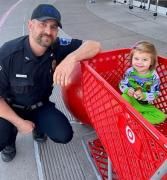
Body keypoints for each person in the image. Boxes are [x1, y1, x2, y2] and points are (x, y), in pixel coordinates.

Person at [0, 4, 101, 162]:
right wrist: (19, 123)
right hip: (10, 108)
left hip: (40, 106)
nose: (48, 31)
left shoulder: (58, 46)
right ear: (30, 25)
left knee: (64, 135)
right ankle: (9, 143)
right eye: (42, 24)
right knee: (1, 136)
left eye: (53, 27)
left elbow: (94, 45)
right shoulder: (8, 53)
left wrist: (71, 59)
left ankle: (39, 128)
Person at [119, 41, 166, 125]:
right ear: (132, 59)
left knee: (161, 116)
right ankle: (131, 115)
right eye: (136, 59)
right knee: (123, 98)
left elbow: (155, 94)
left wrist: (144, 96)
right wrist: (127, 90)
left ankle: (136, 118)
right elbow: (122, 84)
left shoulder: (154, 77)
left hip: (145, 105)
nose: (139, 62)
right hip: (131, 100)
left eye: (144, 59)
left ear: (151, 62)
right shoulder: (130, 72)